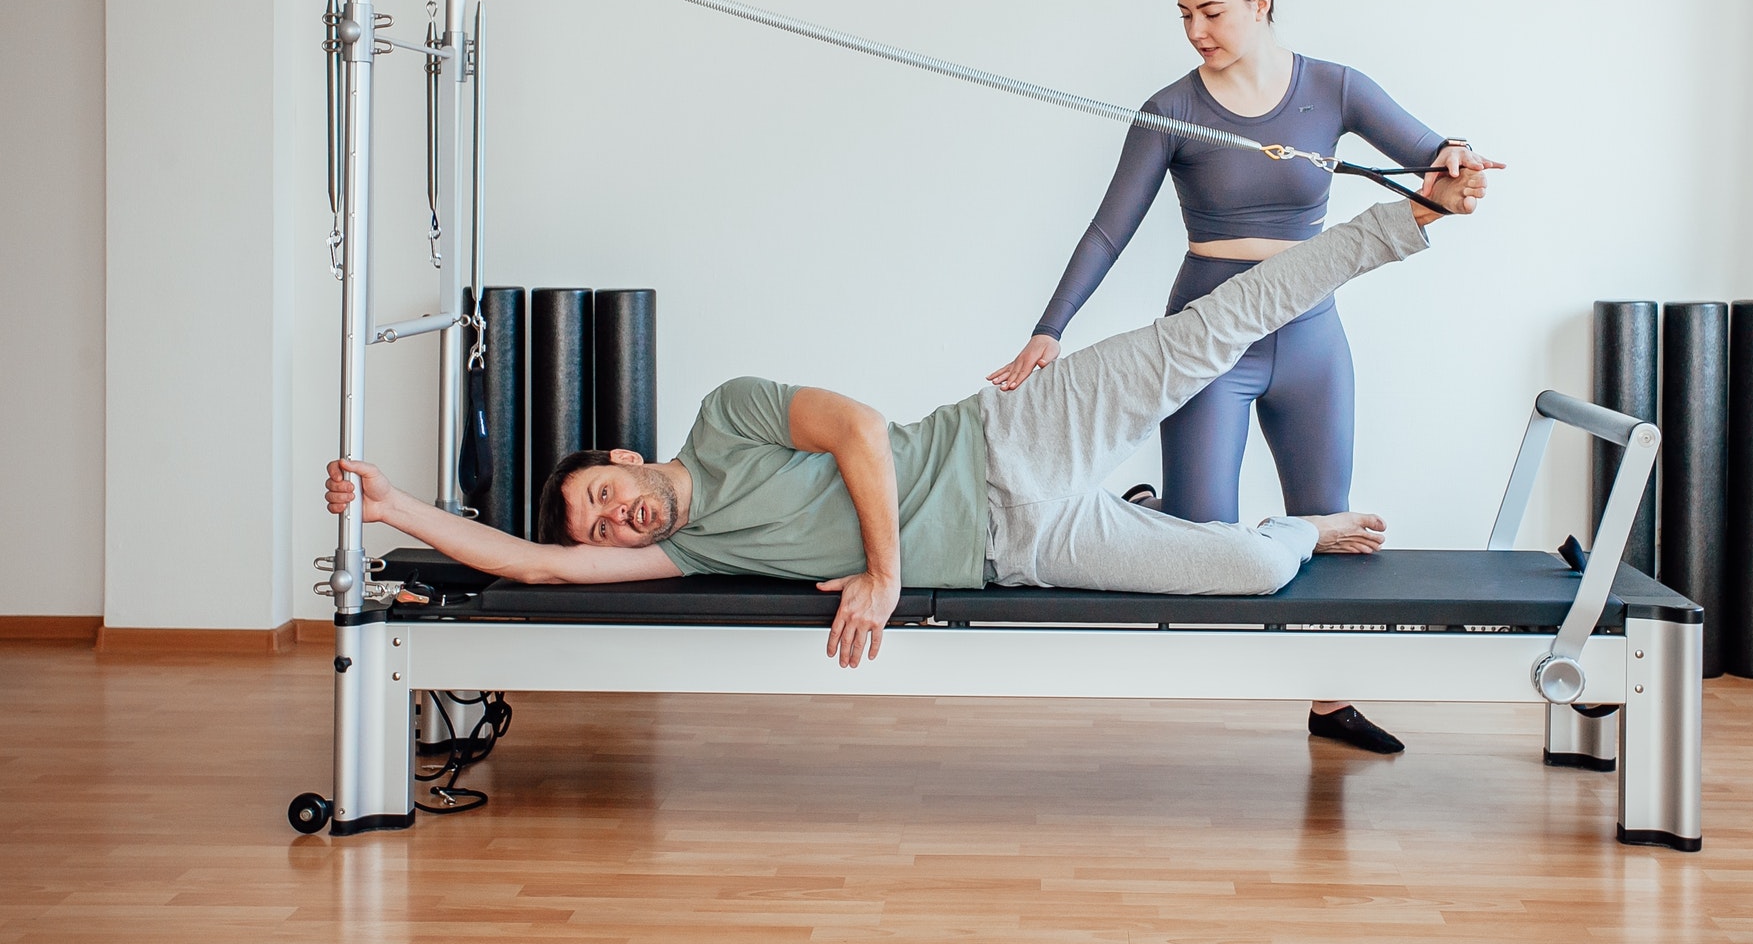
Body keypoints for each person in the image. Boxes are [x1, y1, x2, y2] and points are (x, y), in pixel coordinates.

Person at [327, 169, 1485, 678]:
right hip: (1017, 549)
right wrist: (392, 508)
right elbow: (529, 567)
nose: (612, 521)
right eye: (602, 532)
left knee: (1211, 331)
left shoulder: (724, 416)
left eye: (597, 497)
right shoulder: (687, 551)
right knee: (1247, 571)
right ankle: (1308, 525)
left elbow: (865, 432)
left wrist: (878, 574)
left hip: (1008, 440)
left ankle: (1408, 219)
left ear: (623, 460)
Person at [986, 0, 1502, 753]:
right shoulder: (1173, 109)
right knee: (1201, 545)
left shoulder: (1334, 88)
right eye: (1185, 13)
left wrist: (1460, 166)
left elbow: (1430, 153)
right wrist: (1051, 328)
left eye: (1213, 11)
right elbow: (1106, 232)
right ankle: (1152, 511)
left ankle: (1330, 703)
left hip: (1309, 337)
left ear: (1262, 4)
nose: (1197, 30)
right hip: (1205, 340)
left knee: (1329, 524)